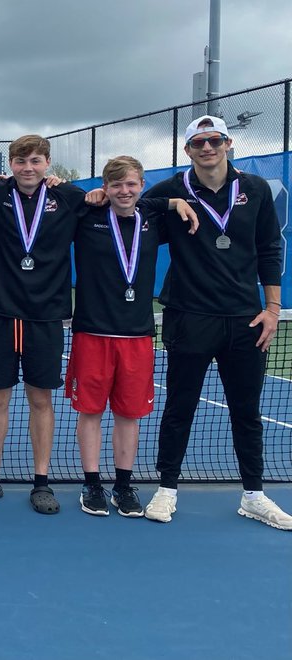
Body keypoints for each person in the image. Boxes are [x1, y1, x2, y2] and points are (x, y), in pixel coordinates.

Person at [141, 115, 290, 530]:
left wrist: (273, 308)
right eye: (198, 143)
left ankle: (255, 496)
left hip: (245, 321)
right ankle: (166, 490)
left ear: (228, 144)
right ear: (187, 151)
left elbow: (268, 249)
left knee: (247, 412)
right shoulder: (173, 189)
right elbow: (129, 206)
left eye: (215, 140)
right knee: (179, 408)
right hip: (189, 317)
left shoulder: (256, 190)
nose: (207, 148)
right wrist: (171, 204)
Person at [0, 134, 88, 514]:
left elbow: (122, 201)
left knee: (41, 400)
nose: (28, 168)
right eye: (21, 161)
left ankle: (41, 482)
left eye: (35, 160)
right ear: (11, 165)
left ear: (47, 163)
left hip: (45, 318)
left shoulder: (68, 198)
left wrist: (173, 200)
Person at [72, 157, 196, 516]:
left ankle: (123, 486)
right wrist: (89, 195)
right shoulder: (87, 216)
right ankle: (92, 484)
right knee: (90, 412)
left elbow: (165, 198)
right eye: (116, 185)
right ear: (105, 188)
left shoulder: (153, 219)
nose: (124, 192)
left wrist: (175, 202)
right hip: (92, 333)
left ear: (141, 186)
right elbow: (62, 197)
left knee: (129, 415)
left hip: (137, 336)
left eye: (131, 185)